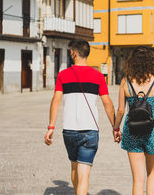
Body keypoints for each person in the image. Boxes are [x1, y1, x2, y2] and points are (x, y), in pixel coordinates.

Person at [44, 39, 115, 195]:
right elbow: (107, 103)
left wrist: (51, 127)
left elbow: (56, 100)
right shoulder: (98, 76)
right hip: (90, 131)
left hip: (69, 131)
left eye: (70, 52)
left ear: (74, 53)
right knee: (84, 174)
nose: (70, 54)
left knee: (74, 167)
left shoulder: (63, 75)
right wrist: (115, 127)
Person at [113, 46, 154, 195]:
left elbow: (121, 111)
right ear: (151, 62)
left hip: (132, 130)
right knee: (153, 173)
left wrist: (116, 129)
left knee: (138, 179)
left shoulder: (126, 82)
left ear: (132, 62)